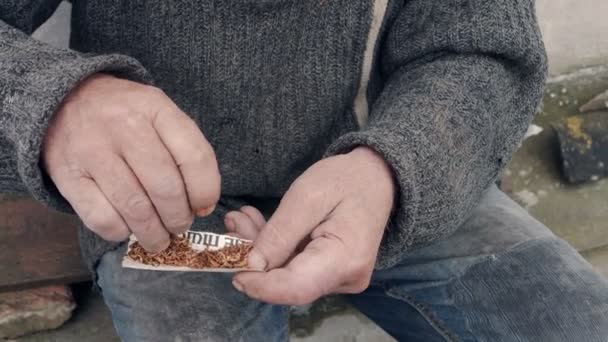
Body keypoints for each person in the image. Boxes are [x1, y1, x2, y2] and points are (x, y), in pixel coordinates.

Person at [1, 1, 607, 341]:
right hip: (168, 215)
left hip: (393, 170)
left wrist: (395, 169)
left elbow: (481, 48)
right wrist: (49, 101)